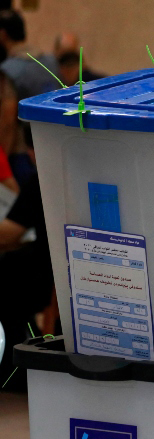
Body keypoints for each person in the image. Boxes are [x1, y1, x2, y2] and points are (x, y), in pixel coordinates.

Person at [0, 142, 53, 392]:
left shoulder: (42, 180)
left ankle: (11, 370)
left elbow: (7, 234)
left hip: (42, 277)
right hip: (61, 271)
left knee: (6, 275)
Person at [0, 10, 61, 158]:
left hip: (24, 153)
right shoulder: (51, 62)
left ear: (3, 34)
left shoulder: (9, 70)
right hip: (55, 143)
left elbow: (8, 124)